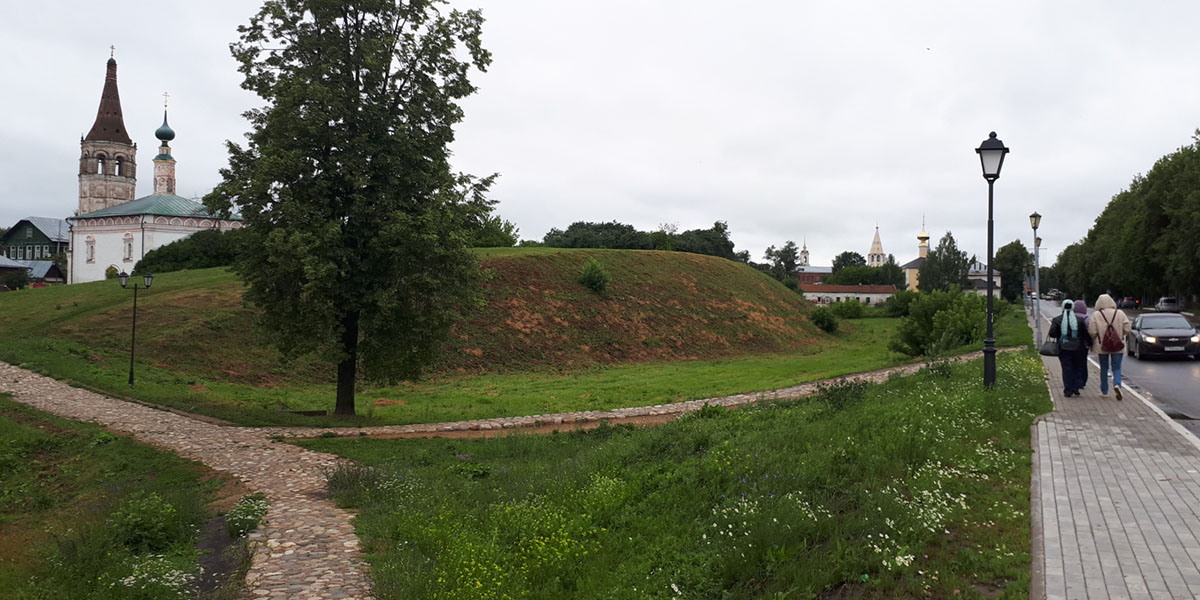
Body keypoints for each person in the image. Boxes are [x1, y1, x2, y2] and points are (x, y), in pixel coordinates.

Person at [1088, 293, 1132, 400]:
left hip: (1102, 346)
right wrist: (1120, 334)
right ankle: (1117, 384)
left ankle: (1104, 391)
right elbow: (1128, 329)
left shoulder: (1096, 315)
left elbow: (1092, 332)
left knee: (1104, 368)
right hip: (1118, 345)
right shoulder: (1120, 313)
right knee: (1116, 367)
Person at [1049, 299, 1092, 397]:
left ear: (1063, 307)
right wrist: (1090, 344)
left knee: (1066, 368)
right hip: (1078, 348)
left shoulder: (1057, 320)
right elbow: (1085, 335)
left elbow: (1052, 334)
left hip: (1063, 348)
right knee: (1077, 367)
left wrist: (1060, 333)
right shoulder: (1079, 320)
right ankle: (1076, 387)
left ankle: (1068, 390)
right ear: (1072, 307)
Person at [1073, 300, 1091, 389]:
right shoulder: (1087, 319)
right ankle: (1083, 381)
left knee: (1073, 363)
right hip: (1083, 344)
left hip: (1071, 344)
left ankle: (1074, 380)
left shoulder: (1071, 317)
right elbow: (1090, 332)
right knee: (1083, 362)